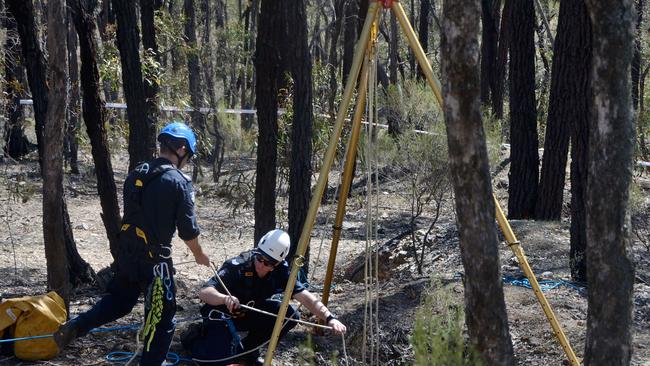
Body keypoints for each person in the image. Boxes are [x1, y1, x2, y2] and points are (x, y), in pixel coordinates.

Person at [54, 122, 210, 365]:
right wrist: (199, 254)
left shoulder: (137, 173)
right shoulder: (179, 181)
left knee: (121, 301)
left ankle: (78, 325)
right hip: (156, 263)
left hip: (128, 255)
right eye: (187, 155)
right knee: (162, 318)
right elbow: (188, 232)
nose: (187, 160)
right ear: (180, 148)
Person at [192, 229, 346, 366]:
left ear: (278, 264)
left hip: (247, 314)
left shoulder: (280, 273)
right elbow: (204, 292)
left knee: (290, 314)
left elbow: (305, 297)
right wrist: (224, 299)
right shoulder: (237, 266)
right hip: (221, 316)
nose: (261, 265)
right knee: (210, 360)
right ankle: (196, 337)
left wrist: (329, 318)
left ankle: (247, 351)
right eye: (259, 258)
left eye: (268, 263)